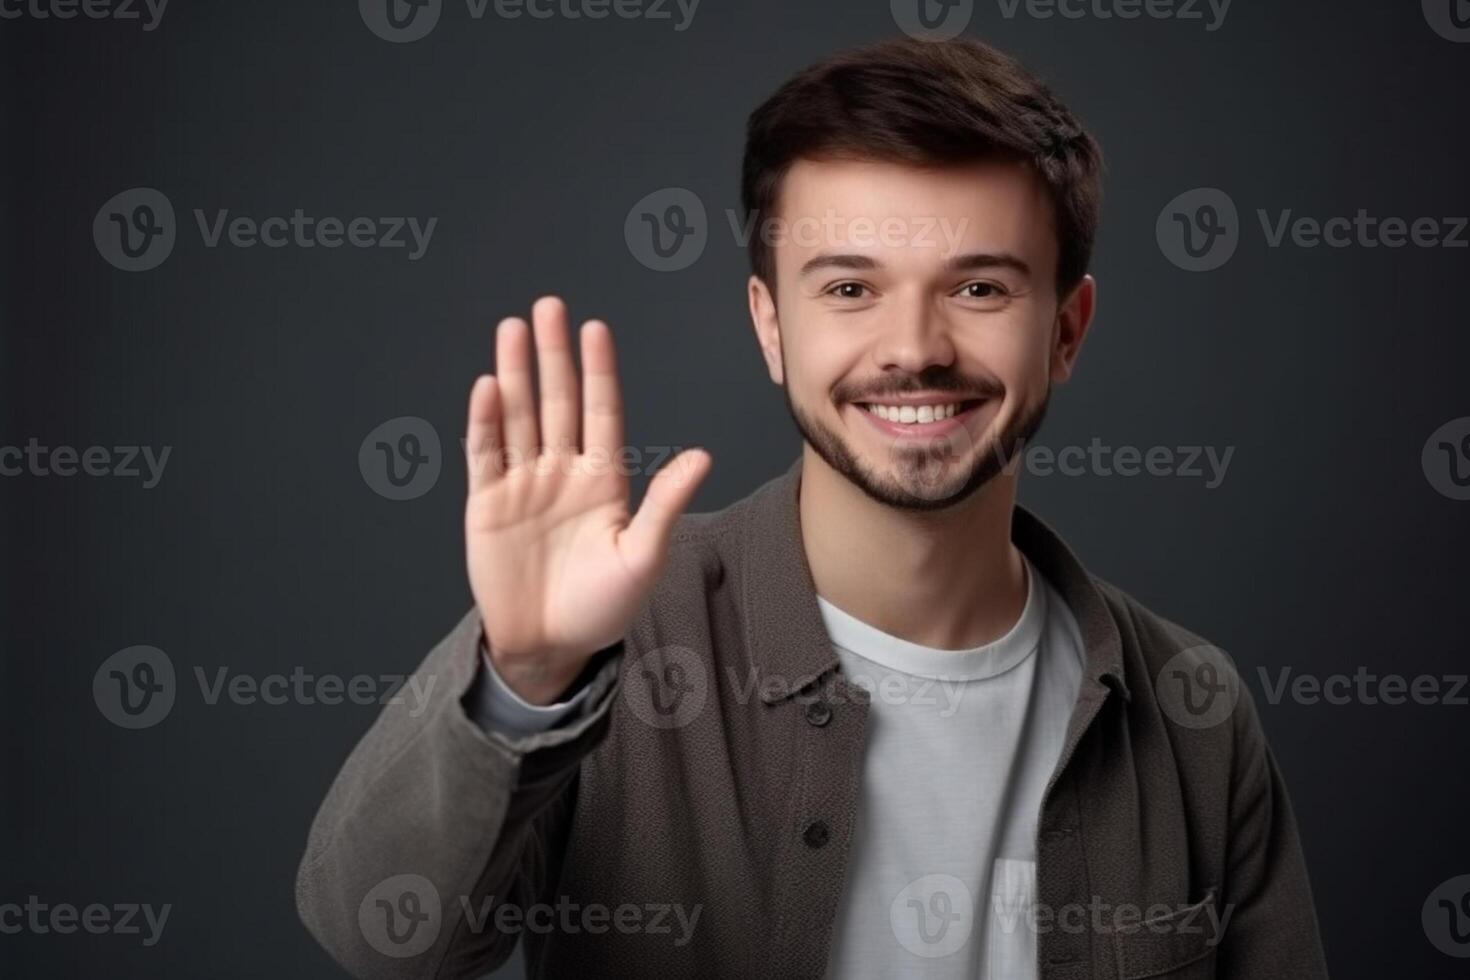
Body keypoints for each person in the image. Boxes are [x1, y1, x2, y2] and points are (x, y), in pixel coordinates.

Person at [296, 35, 1329, 979]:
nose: (913, 345)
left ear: (1067, 329)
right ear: (770, 325)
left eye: (979, 289)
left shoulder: (1195, 709)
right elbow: (375, 934)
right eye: (848, 289)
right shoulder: (610, 648)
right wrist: (525, 677)